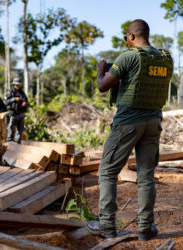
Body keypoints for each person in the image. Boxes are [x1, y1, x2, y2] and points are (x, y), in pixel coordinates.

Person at [86, 19, 173, 241]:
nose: (127, 41)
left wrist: (100, 71)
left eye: (127, 38)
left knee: (107, 171)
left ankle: (106, 225)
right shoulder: (165, 58)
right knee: (145, 175)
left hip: (128, 122)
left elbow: (103, 86)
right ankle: (145, 228)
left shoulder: (128, 56)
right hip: (153, 121)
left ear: (131, 36)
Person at [4, 77, 29, 143]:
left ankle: (17, 142)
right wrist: (14, 99)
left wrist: (25, 104)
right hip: (13, 113)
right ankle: (9, 142)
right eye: (16, 85)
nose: (18, 86)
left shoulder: (22, 93)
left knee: (20, 129)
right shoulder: (10, 92)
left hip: (21, 113)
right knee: (11, 129)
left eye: (19, 84)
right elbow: (5, 102)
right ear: (14, 85)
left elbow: (27, 101)